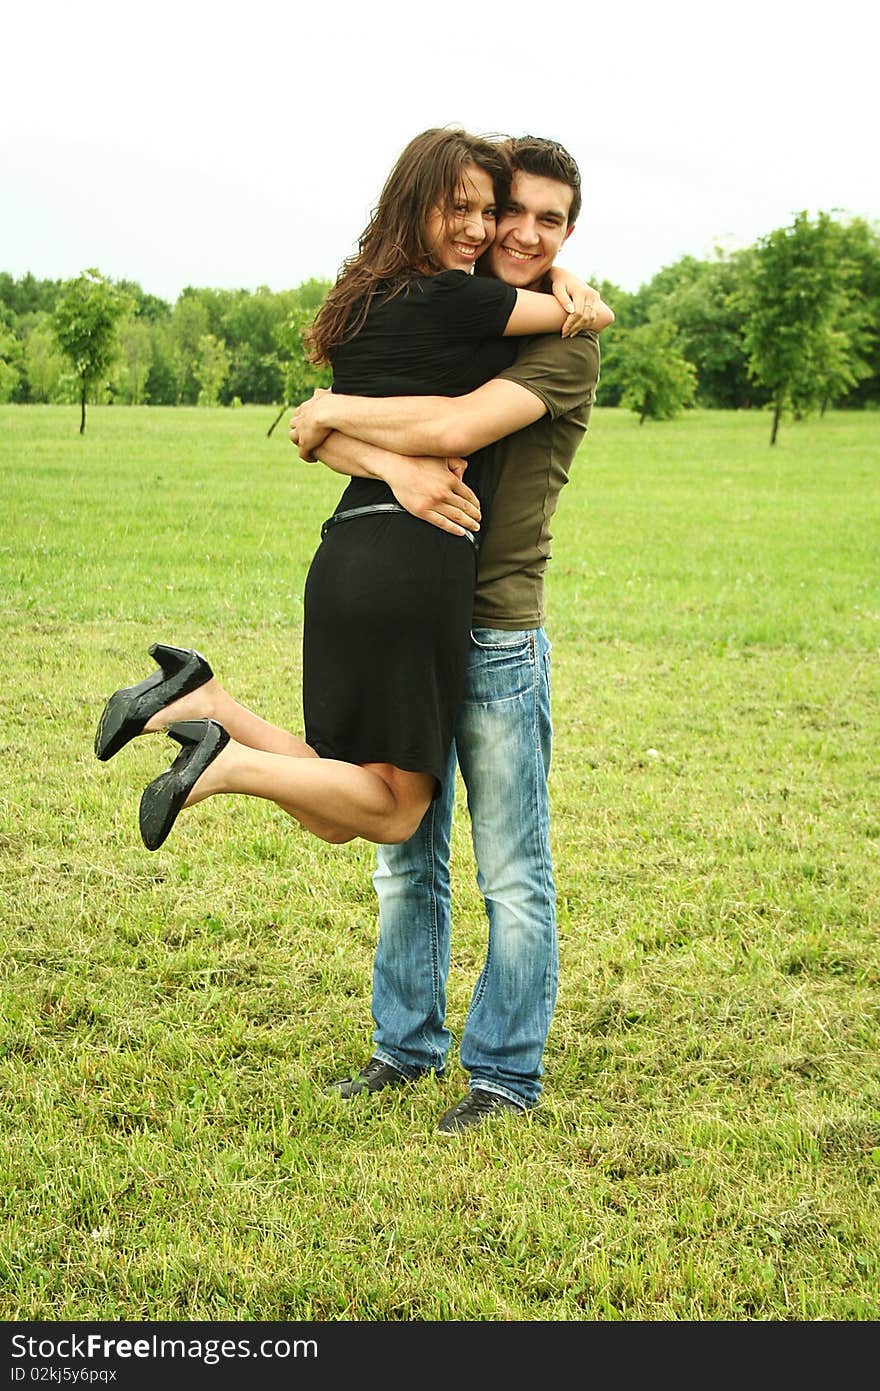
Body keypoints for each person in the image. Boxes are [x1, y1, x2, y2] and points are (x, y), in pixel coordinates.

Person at [94, 130, 608, 877]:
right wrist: (571, 285)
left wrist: (359, 438)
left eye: (485, 211)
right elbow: (577, 325)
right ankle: (222, 765)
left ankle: (207, 702)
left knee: (341, 800)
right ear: (416, 204)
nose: (480, 227)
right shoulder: (458, 297)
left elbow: (316, 428)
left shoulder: (364, 297)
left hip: (343, 553)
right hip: (417, 558)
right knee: (397, 810)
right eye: (459, 208)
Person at [288, 135, 608, 1134]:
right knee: (406, 852)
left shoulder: (561, 341)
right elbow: (361, 427)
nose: (516, 230)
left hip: (497, 630)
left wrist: (331, 414)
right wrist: (344, 436)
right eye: (512, 209)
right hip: (418, 611)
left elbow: (448, 428)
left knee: (510, 868)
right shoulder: (467, 312)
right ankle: (406, 1045)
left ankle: (504, 1074)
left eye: (548, 221)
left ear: (567, 235)